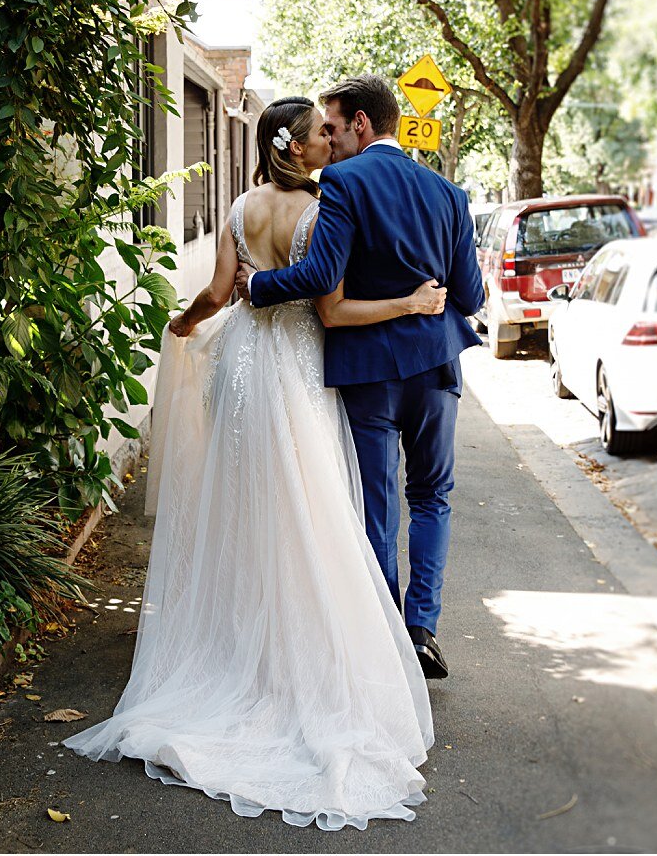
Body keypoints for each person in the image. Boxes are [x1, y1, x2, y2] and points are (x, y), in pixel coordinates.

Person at [64, 96, 448, 831]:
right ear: (299, 148)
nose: (329, 146)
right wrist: (409, 303)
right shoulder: (322, 208)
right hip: (296, 369)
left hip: (240, 364)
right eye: (320, 137)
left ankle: (234, 647)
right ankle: (292, 663)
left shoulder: (240, 205)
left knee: (241, 505)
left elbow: (215, 293)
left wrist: (180, 327)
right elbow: (331, 311)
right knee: (307, 509)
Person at [237, 75, 485, 681]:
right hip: (434, 367)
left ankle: (382, 638)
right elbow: (472, 294)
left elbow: (322, 273)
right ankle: (422, 630)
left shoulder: (343, 183)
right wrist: (421, 300)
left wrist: (258, 285)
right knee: (432, 496)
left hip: (368, 368)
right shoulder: (450, 195)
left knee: (374, 502)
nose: (330, 136)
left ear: (361, 125)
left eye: (334, 124)